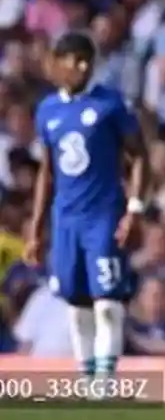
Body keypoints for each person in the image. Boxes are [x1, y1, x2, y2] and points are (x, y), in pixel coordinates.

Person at [23, 32, 148, 387]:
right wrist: (36, 229)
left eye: (83, 60)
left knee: (107, 302)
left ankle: (105, 380)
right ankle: (87, 376)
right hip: (65, 220)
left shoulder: (111, 104)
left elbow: (139, 156)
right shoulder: (48, 110)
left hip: (103, 216)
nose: (54, 68)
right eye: (63, 60)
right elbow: (47, 171)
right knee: (76, 306)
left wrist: (134, 209)